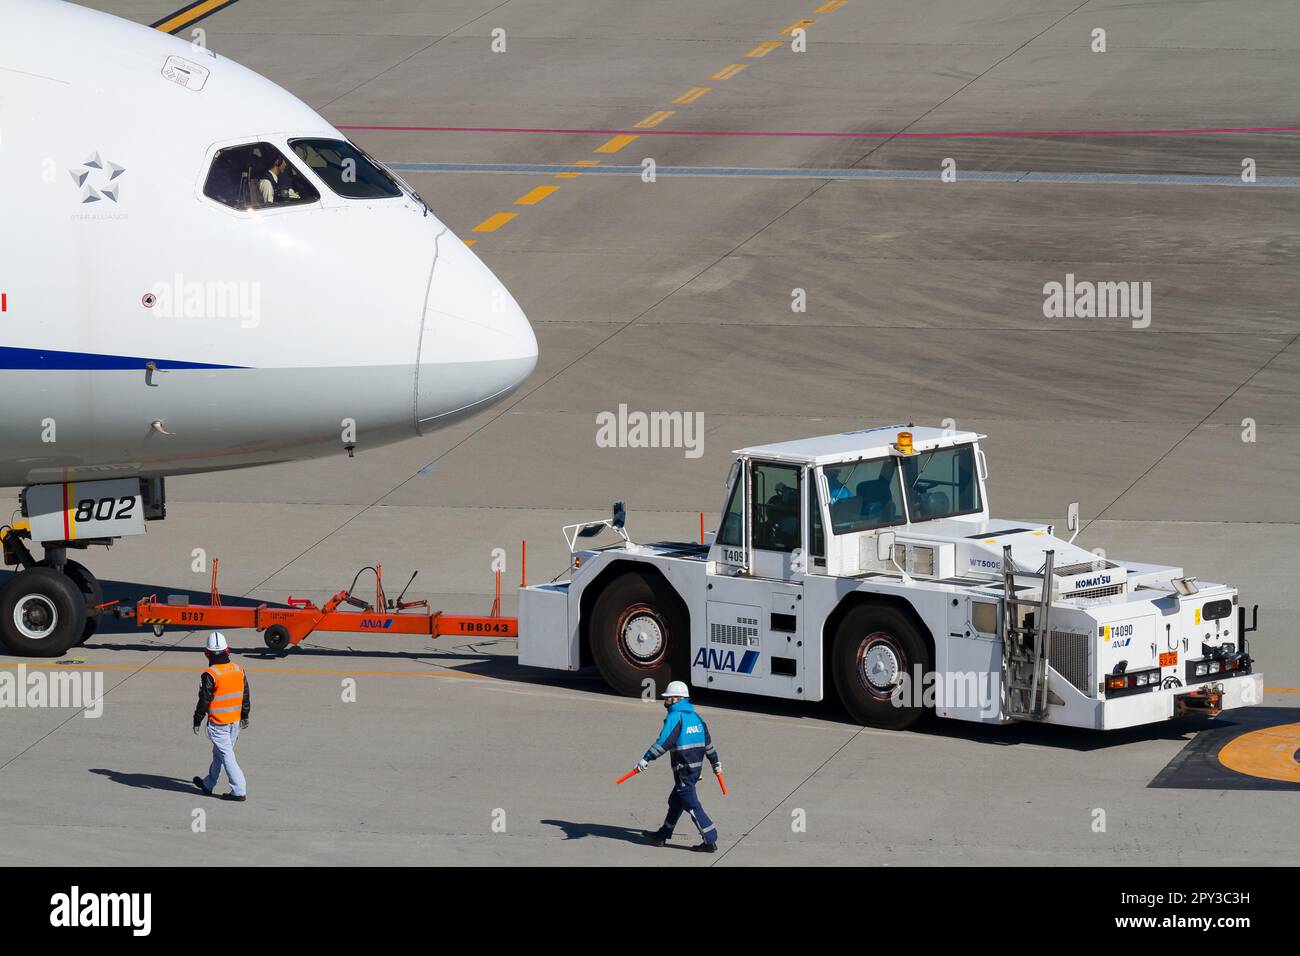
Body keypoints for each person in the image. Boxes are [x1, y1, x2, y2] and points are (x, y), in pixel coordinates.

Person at [636, 681, 722, 852]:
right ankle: (663, 834)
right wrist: (715, 763)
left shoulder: (676, 717)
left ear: (676, 699)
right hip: (694, 770)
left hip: (683, 770)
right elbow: (708, 744)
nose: (665, 701)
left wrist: (646, 759)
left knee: (691, 804)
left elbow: (664, 742)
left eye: (667, 698)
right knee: (675, 801)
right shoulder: (696, 718)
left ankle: (710, 839)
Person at [192, 631, 250, 802]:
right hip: (235, 723)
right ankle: (208, 784)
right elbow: (245, 694)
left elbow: (204, 700)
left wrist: (197, 719)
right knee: (219, 754)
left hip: (219, 725)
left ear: (207, 653)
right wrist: (245, 715)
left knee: (227, 757)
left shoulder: (211, 674)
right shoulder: (238, 669)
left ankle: (239, 790)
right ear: (228, 651)